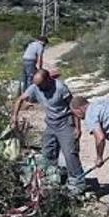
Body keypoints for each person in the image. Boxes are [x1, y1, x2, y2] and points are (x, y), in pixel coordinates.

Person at [10, 69, 85, 197]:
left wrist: (77, 128)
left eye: (40, 85)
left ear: (48, 80)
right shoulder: (36, 87)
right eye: (37, 85)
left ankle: (78, 183)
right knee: (47, 152)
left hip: (65, 123)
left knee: (70, 154)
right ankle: (52, 178)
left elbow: (73, 107)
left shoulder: (61, 88)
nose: (38, 88)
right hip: (51, 124)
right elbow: (20, 99)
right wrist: (14, 116)